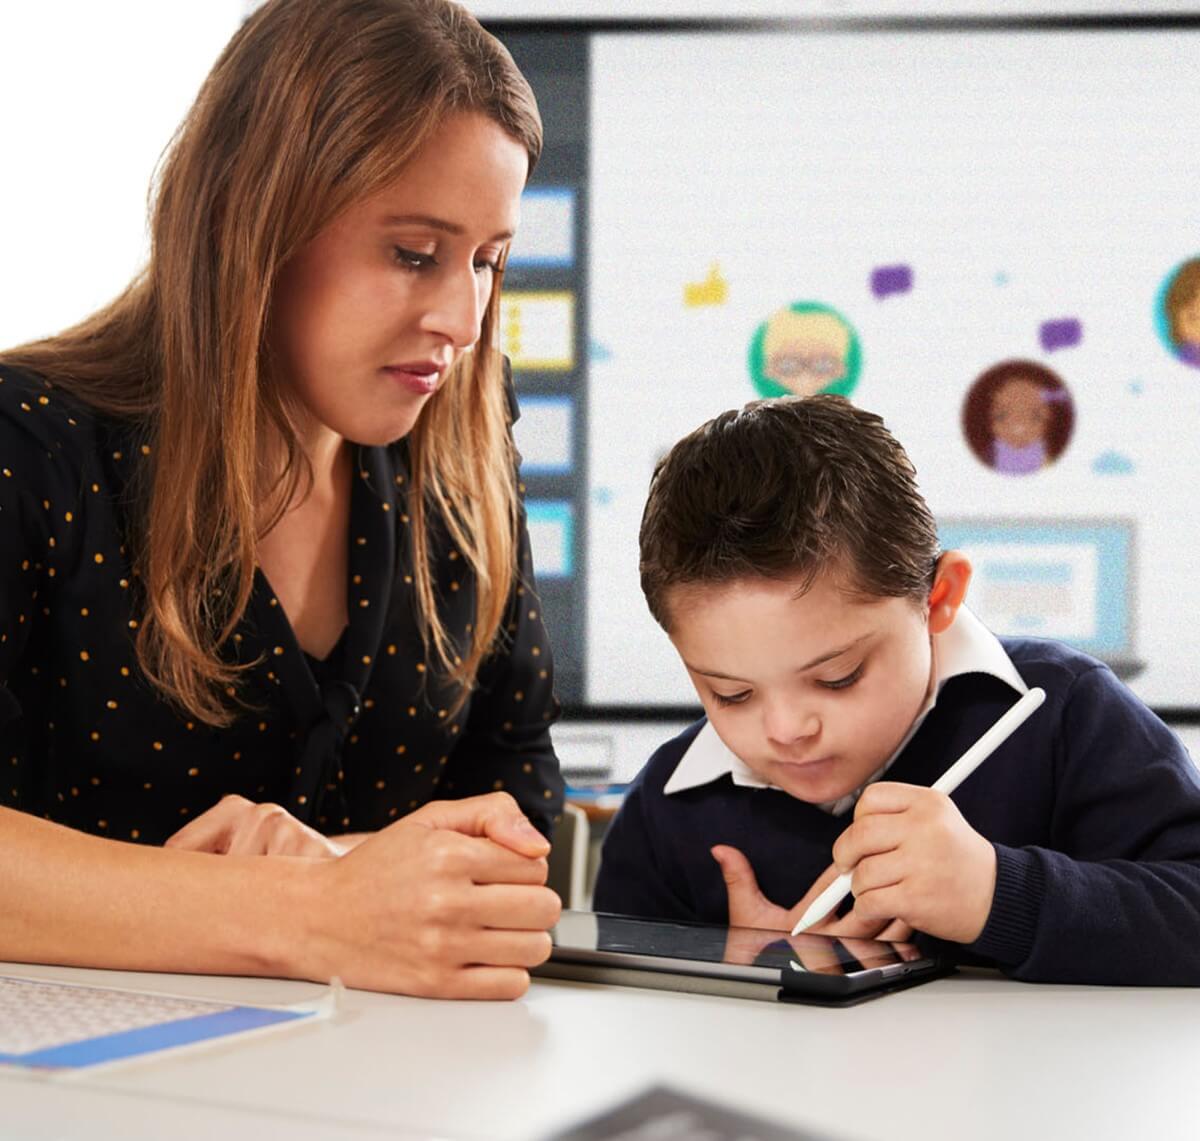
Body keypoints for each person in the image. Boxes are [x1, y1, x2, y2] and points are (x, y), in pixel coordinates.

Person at [0, 0, 567, 1000]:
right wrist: (310, 912)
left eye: (487, 260)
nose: (463, 320)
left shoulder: (466, 443)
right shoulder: (29, 445)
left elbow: (518, 819)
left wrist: (339, 873)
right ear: (252, 222)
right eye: (413, 253)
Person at [593, 394, 1200, 985]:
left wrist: (996, 893)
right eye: (730, 694)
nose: (786, 730)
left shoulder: (1064, 713)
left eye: (838, 677)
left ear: (939, 598)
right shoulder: (670, 807)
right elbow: (617, 1005)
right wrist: (721, 970)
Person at [960, 359, 1074, 476]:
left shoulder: (1051, 463)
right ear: (989, 421)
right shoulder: (986, 459)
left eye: (1035, 417)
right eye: (1002, 416)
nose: (1019, 425)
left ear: (1050, 421)